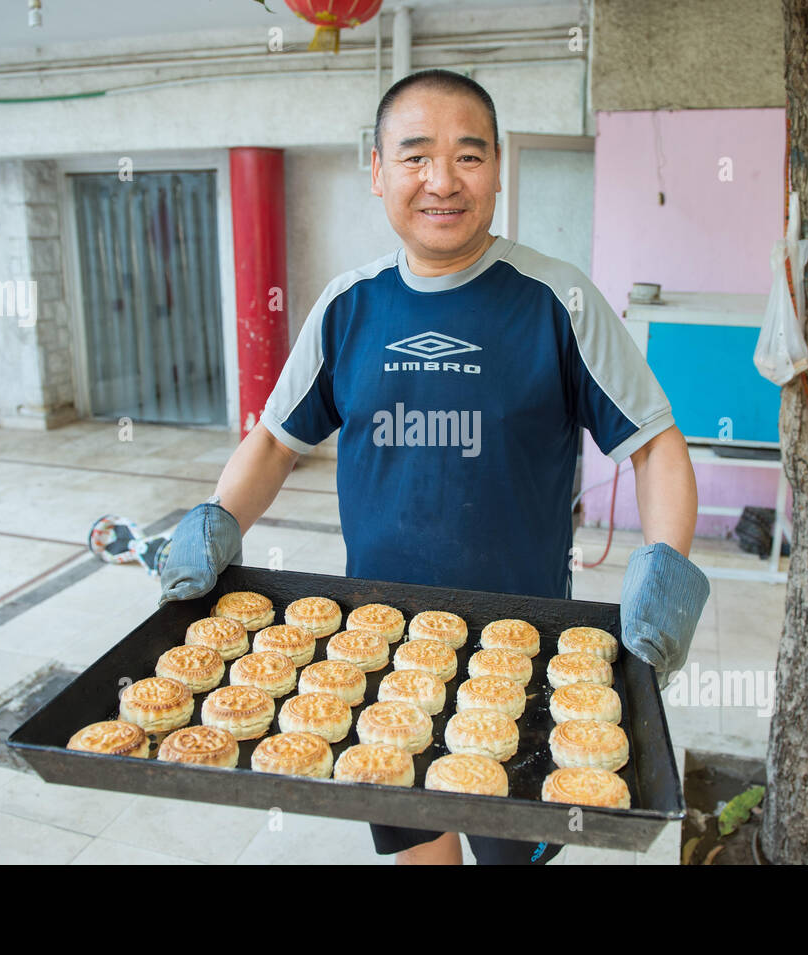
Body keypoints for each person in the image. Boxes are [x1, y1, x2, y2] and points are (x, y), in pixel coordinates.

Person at [159, 69, 710, 866]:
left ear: (498, 170)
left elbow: (655, 442)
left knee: (508, 848)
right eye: (415, 157)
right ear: (377, 170)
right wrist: (215, 519)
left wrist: (665, 564)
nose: (442, 182)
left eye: (469, 156)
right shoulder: (349, 306)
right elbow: (278, 440)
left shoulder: (559, 301)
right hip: (376, 648)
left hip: (524, 653)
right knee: (416, 841)